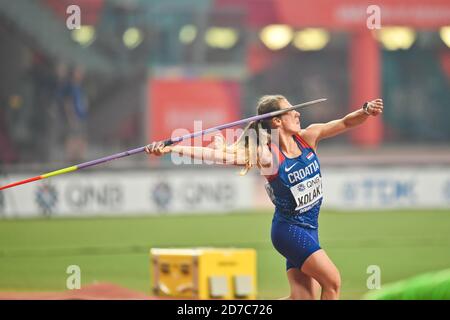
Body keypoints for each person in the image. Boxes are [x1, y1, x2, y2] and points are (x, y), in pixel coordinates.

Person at [145, 95, 383, 300]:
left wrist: (365, 111)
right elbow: (218, 156)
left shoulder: (308, 136)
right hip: (289, 231)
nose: (298, 113)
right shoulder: (268, 155)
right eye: (291, 110)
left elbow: (344, 122)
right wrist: (172, 148)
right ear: (277, 120)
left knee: (303, 298)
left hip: (311, 228)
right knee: (332, 282)